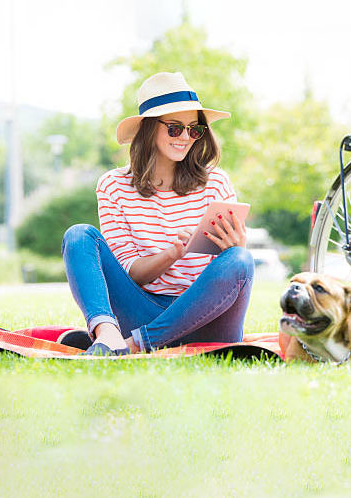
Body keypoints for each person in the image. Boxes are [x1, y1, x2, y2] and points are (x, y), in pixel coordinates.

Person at [61, 71, 254, 356]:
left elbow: (231, 271)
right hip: (143, 311)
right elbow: (131, 274)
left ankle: (133, 345)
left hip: (208, 320)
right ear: (149, 129)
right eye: (175, 128)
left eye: (194, 129)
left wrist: (234, 247)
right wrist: (171, 255)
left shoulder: (217, 182)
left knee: (241, 259)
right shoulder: (113, 186)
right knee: (78, 235)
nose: (186, 137)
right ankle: (108, 334)